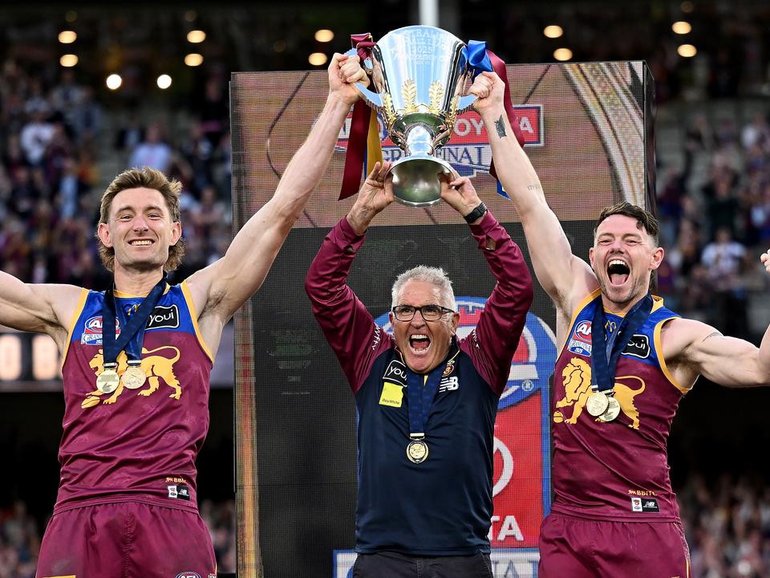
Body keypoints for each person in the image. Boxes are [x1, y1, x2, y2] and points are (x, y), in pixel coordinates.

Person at [9, 52, 365, 578]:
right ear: (105, 233)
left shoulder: (199, 300)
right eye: (125, 216)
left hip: (169, 510)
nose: (140, 225)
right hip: (80, 512)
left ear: (175, 230)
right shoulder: (70, 308)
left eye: (154, 214)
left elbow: (281, 210)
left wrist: (336, 102)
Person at [472, 70, 770, 577]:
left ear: (654, 258)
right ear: (592, 255)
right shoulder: (575, 299)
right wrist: (495, 112)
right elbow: (530, 199)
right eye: (606, 240)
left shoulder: (676, 335)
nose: (617, 247)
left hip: (643, 526)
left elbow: (762, 367)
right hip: (570, 525)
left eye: (631, 241)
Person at [304, 117, 534, 577]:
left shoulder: (480, 360)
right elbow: (322, 287)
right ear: (392, 320)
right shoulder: (371, 356)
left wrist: (476, 213)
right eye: (405, 311)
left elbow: (516, 288)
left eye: (430, 310)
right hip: (381, 559)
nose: (417, 320)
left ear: (453, 320)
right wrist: (359, 216)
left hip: (461, 558)